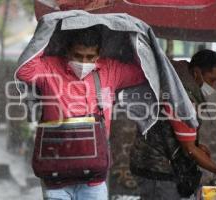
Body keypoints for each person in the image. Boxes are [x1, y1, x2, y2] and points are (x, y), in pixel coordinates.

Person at [16, 26, 146, 200]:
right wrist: (47, 30)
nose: (84, 62)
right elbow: (24, 70)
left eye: (90, 57)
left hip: (94, 178)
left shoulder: (111, 70)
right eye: (78, 56)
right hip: (57, 177)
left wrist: (130, 35)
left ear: (99, 55)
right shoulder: (48, 67)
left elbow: (145, 70)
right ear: (68, 51)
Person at [128, 49, 216, 199]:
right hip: (158, 169)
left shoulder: (176, 81)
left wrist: (196, 145)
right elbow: (189, 148)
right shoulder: (180, 96)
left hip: (156, 164)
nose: (215, 86)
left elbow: (181, 136)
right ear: (196, 73)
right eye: (212, 80)